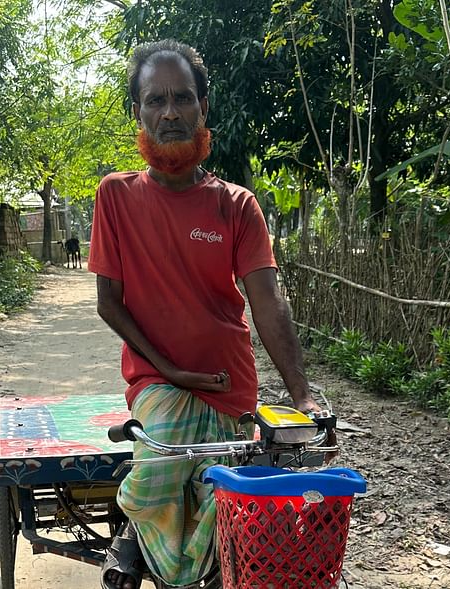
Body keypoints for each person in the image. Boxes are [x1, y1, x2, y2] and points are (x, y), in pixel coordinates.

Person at [89, 39, 327, 589]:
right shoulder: (116, 197)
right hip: (158, 385)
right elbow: (109, 302)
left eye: (182, 98)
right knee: (156, 480)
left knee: (236, 501)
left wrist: (302, 394)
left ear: (203, 108)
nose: (169, 112)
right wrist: (169, 371)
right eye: (155, 100)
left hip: (230, 386)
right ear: (138, 112)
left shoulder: (235, 205)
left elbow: (268, 302)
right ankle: (132, 532)